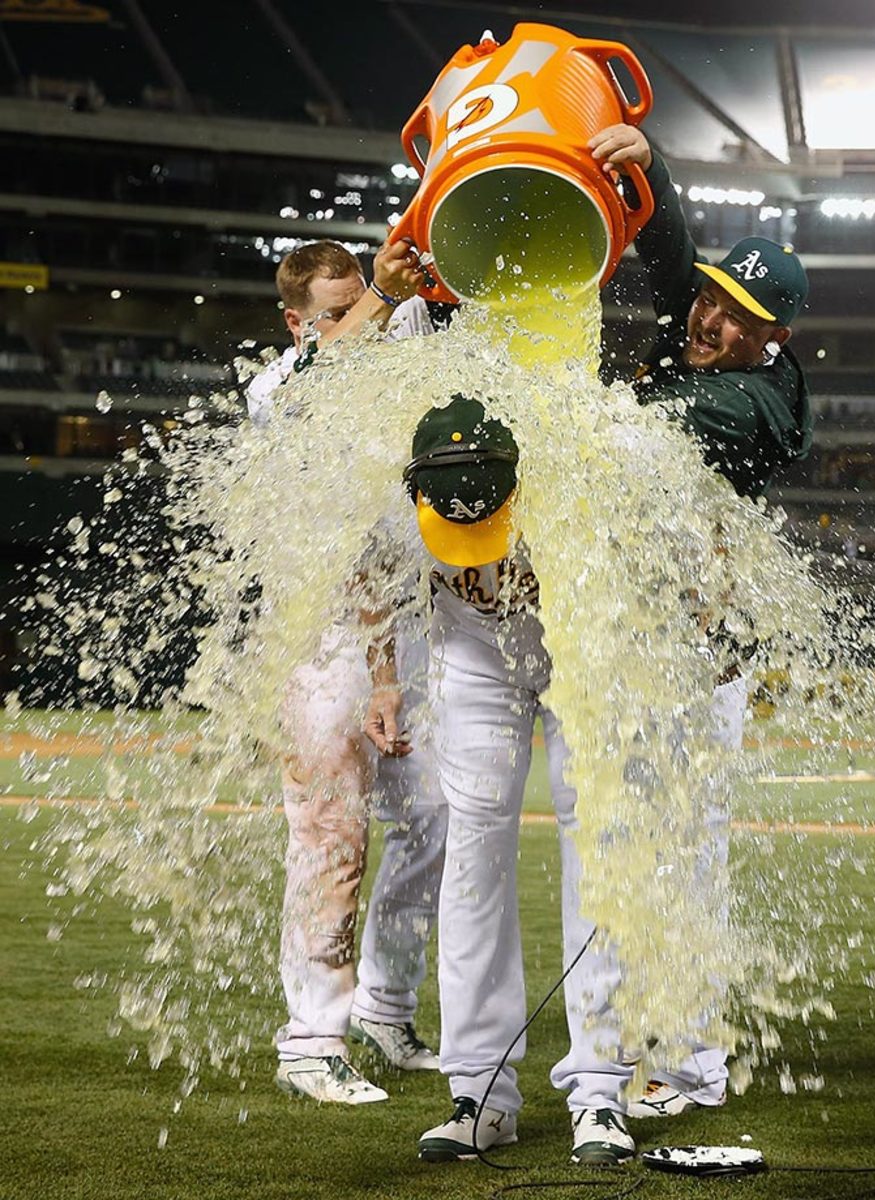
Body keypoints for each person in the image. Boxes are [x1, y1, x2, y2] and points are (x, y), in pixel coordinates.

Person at [587, 123, 812, 1118]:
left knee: (689, 856)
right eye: (715, 300)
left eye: (738, 315)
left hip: (698, 660)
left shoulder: (757, 403)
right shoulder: (709, 322)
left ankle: (692, 1060)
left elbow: (639, 427)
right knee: (641, 846)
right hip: (648, 644)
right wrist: (651, 165)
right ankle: (653, 1037)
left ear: (777, 340)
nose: (711, 319)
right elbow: (674, 257)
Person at [363, 396, 639, 1167]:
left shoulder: (585, 474)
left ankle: (599, 1092)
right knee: (473, 857)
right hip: (475, 657)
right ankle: (478, 1091)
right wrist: (383, 679)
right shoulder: (387, 495)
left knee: (599, 848)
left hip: (585, 647)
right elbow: (369, 577)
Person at [246, 238, 449, 1105]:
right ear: (297, 323)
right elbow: (323, 393)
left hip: (408, 626)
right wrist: (376, 307)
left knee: (435, 820)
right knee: (331, 834)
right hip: (322, 632)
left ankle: (384, 1009)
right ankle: (310, 1038)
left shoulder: (385, 335)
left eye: (356, 305)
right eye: (332, 315)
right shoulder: (275, 388)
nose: (354, 325)